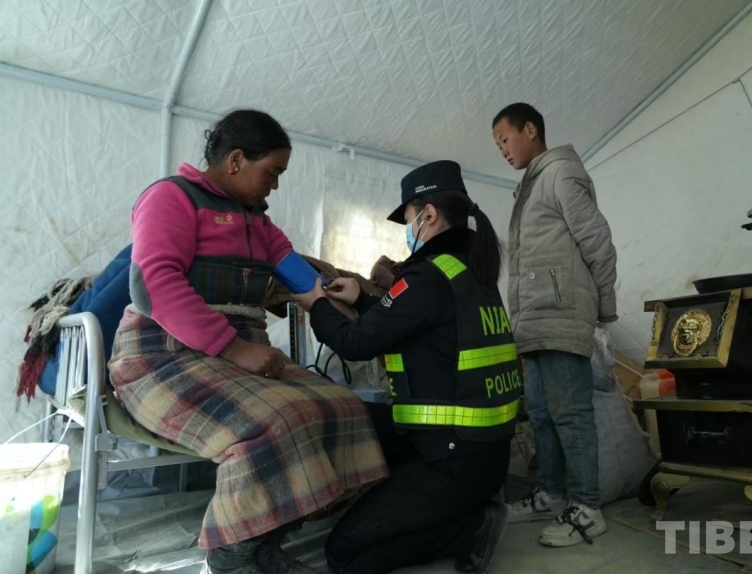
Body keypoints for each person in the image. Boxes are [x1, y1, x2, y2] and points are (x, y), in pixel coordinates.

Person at [107, 110, 389, 574]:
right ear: (236, 159)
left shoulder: (259, 224)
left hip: (228, 359)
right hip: (162, 357)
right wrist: (236, 349)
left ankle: (264, 541)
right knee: (272, 421)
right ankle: (231, 556)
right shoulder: (172, 197)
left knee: (345, 407)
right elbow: (152, 285)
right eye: (272, 173)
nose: (274, 187)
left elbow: (294, 270)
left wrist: (329, 294)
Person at [293, 160, 517, 574]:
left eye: (409, 218)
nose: (407, 230)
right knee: (350, 415)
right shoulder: (469, 271)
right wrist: (361, 297)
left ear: (427, 215)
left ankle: (471, 527)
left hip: (452, 461)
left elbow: (356, 343)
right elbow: (412, 321)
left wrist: (317, 304)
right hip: (481, 452)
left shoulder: (426, 277)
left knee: (344, 553)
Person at [491, 103, 618, 547]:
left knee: (570, 414)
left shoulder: (562, 172)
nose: (503, 150)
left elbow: (597, 241)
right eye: (498, 145)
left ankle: (587, 508)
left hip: (561, 313)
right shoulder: (529, 185)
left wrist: (603, 308)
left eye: (505, 139)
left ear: (530, 129)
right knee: (542, 413)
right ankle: (549, 493)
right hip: (535, 319)